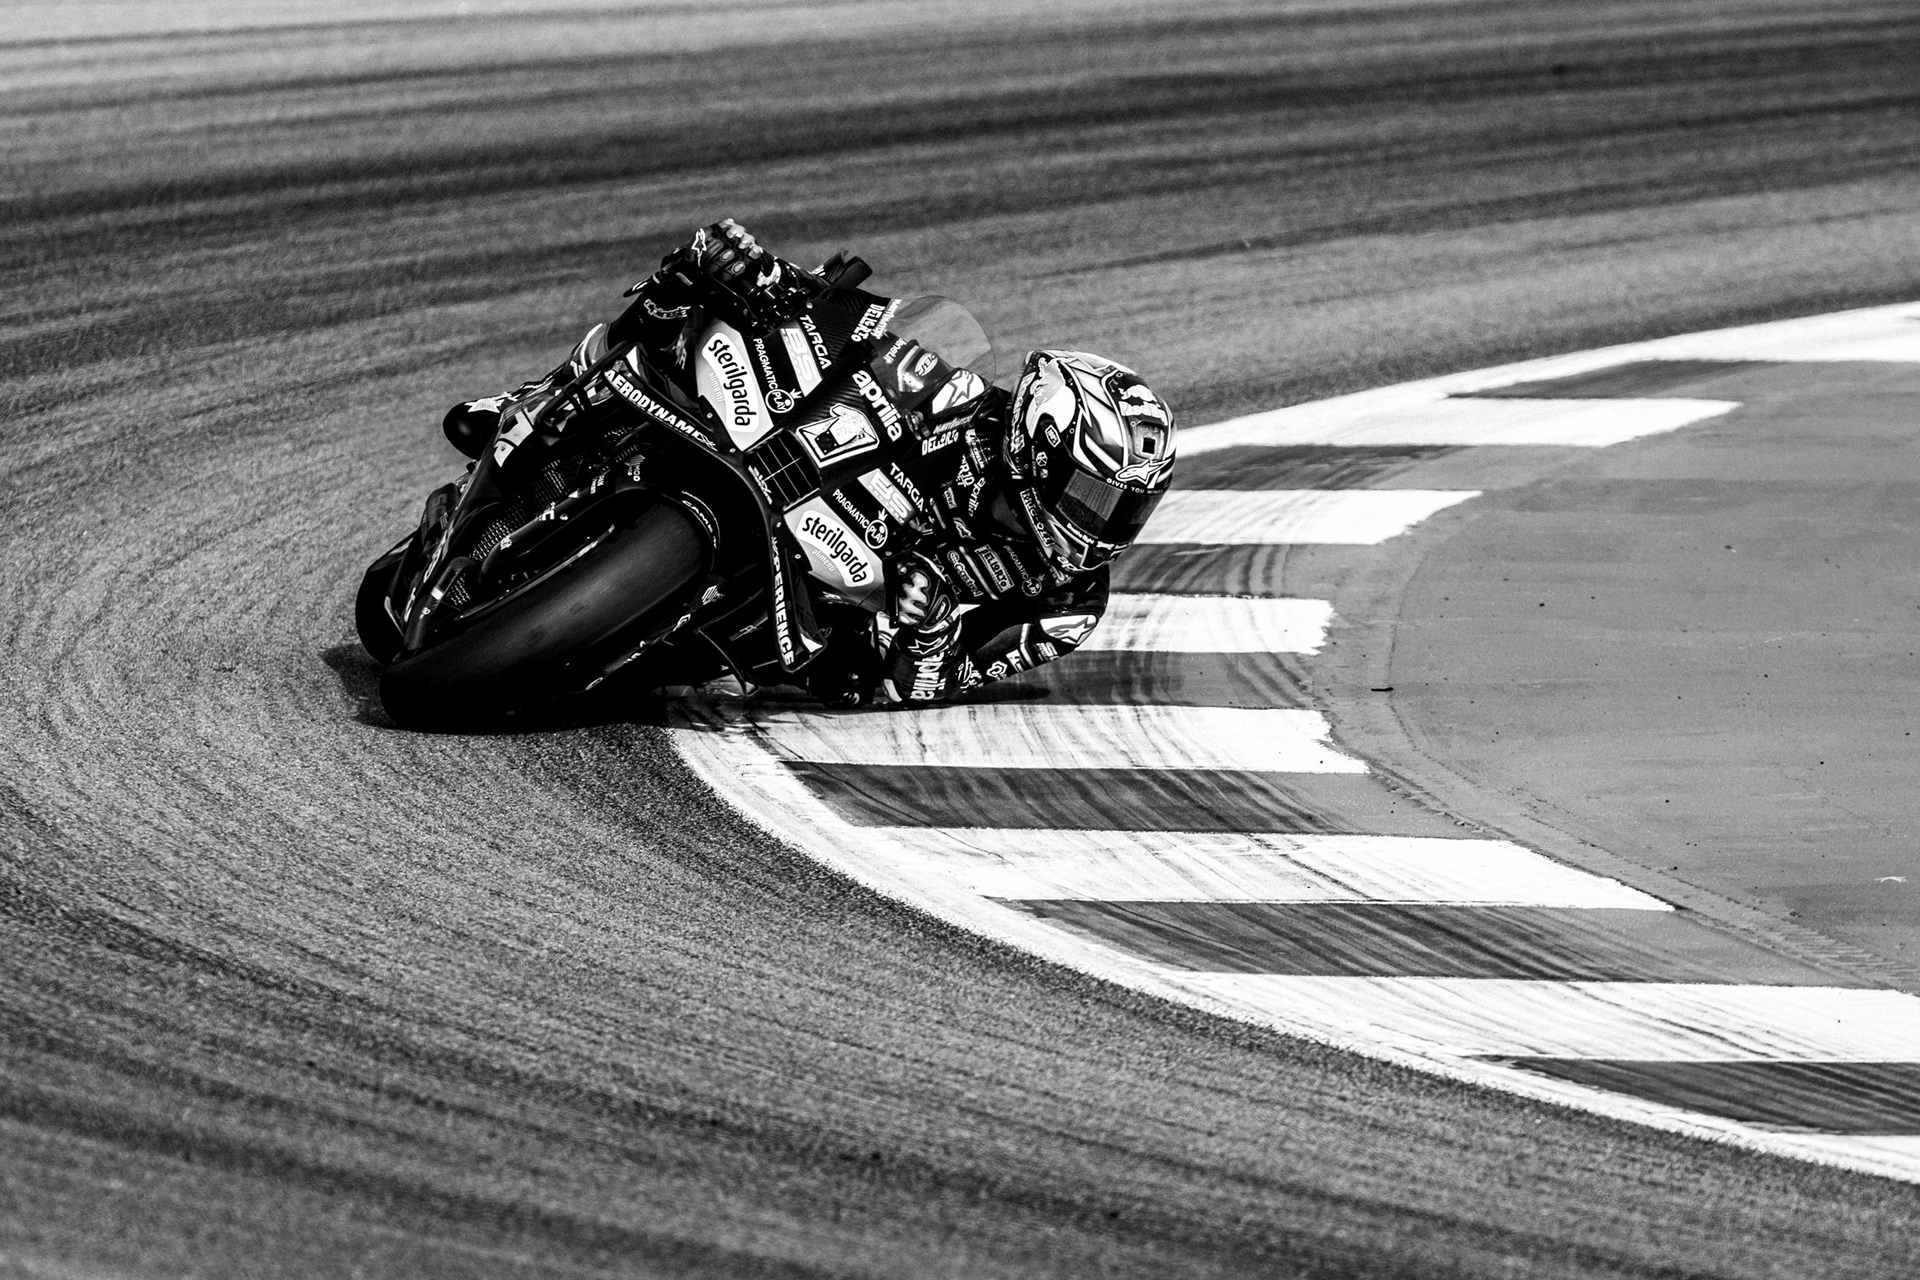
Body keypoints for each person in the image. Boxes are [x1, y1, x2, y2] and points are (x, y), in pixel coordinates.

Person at [442, 220, 1177, 707]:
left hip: (828, 620)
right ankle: (541, 396)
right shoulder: (962, 399)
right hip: (792, 473)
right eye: (1094, 494)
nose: (1105, 523)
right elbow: (865, 325)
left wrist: (927, 630)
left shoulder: (1069, 605)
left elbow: (943, 679)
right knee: (696, 289)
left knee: (723, 683)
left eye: (1125, 508)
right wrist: (774, 281)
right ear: (1040, 445)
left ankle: (624, 623)